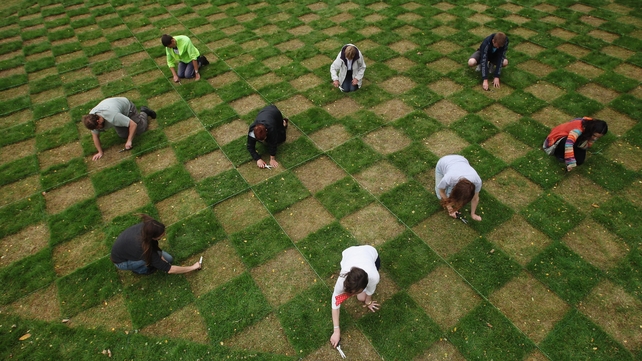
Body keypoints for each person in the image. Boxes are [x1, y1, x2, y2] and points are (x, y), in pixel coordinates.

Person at [111, 214, 202, 275]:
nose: (164, 235)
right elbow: (169, 269)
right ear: (152, 237)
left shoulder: (146, 228)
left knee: (169, 259)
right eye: (161, 235)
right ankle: (139, 270)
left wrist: (161, 257)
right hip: (122, 262)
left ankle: (148, 264)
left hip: (129, 250)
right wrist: (192, 267)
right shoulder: (143, 248)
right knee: (149, 267)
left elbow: (154, 245)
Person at [330, 245, 380, 348]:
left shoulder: (373, 277)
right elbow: (335, 302)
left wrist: (368, 302)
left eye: (354, 292)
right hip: (349, 253)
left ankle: (362, 294)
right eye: (350, 292)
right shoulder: (342, 279)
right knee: (360, 297)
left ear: (364, 285)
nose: (350, 296)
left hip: (371, 254)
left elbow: (370, 289)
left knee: (362, 298)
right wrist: (336, 330)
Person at [82, 97, 156, 161]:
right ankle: (124, 121)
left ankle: (144, 112)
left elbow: (133, 125)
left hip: (127, 108)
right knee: (123, 135)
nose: (98, 129)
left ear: (98, 121)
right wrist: (100, 152)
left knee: (140, 129)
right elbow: (95, 136)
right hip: (115, 109)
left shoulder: (113, 117)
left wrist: (129, 141)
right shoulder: (92, 119)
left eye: (98, 127)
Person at [543, 117, 608, 172]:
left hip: (573, 138)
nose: (595, 138)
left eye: (598, 137)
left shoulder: (590, 125)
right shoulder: (578, 129)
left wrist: (588, 144)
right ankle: (559, 154)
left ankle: (565, 153)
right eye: (594, 135)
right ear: (591, 130)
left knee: (579, 161)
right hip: (558, 138)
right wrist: (570, 162)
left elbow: (588, 143)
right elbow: (569, 143)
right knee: (566, 142)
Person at [435, 155, 483, 221]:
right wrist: (450, 208)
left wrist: (473, 214)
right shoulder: (449, 178)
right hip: (443, 162)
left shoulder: (477, 181)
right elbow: (441, 192)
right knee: (440, 196)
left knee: (450, 197)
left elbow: (475, 198)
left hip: (461, 160)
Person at [246, 105, 288, 169]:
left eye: (263, 139)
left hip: (275, 113)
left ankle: (283, 122)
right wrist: (258, 159)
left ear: (266, 131)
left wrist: (272, 158)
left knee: (281, 139)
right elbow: (250, 146)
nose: (263, 141)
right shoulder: (252, 130)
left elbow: (273, 143)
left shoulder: (271, 128)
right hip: (264, 112)